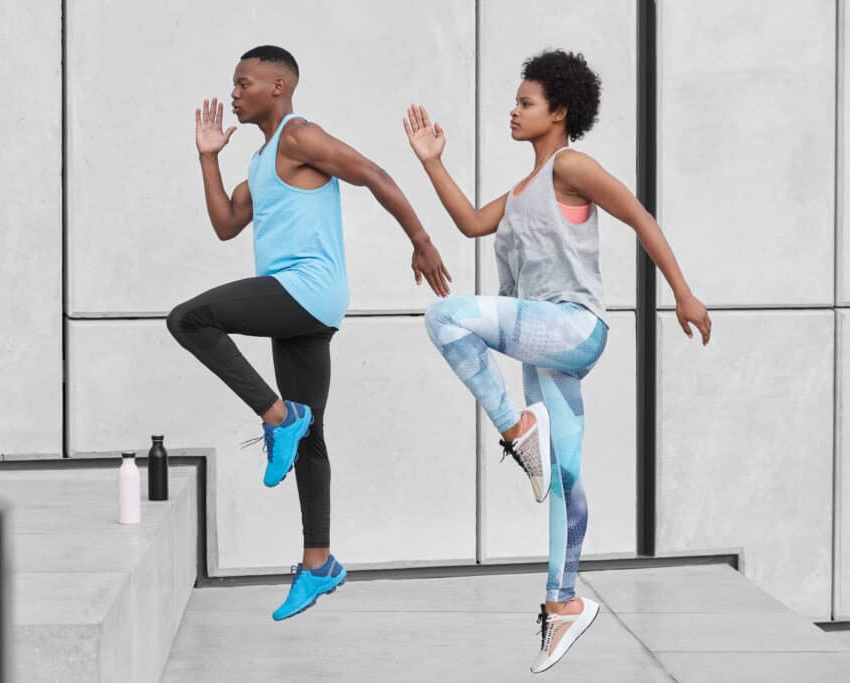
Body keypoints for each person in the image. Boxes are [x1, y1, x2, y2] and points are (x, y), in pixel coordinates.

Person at [403, 49, 711, 673]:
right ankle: (563, 601)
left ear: (559, 111)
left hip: (571, 326)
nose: (513, 111)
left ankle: (517, 430)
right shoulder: (519, 192)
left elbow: (639, 217)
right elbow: (468, 223)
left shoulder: (572, 165)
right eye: (515, 101)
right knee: (565, 481)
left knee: (445, 317)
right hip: (538, 344)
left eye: (526, 103)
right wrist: (433, 163)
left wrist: (682, 292)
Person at [168, 45, 452, 621]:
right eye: (232, 83)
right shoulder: (261, 159)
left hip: (306, 290)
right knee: (312, 438)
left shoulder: (300, 136)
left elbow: (373, 173)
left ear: (278, 86)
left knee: (189, 319)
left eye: (243, 83)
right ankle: (319, 562)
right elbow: (226, 225)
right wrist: (207, 158)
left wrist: (420, 240)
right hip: (299, 302)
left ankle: (278, 417)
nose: (233, 93)